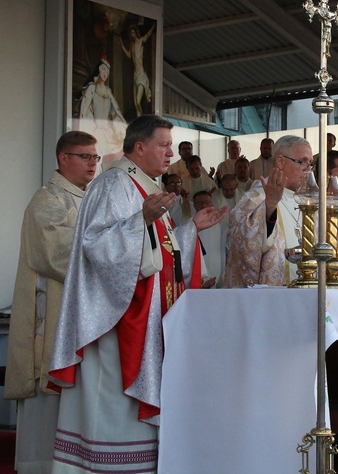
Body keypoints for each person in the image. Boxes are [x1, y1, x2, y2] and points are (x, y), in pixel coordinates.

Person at [47, 115, 228, 474]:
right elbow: (96, 247)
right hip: (115, 322)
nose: (170, 153)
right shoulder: (115, 184)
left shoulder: (144, 186)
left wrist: (190, 230)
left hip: (144, 317)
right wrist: (139, 221)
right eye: (163, 145)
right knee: (110, 404)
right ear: (139, 146)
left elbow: (161, 251)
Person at [5, 131, 98, 474]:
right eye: (85, 156)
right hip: (51, 321)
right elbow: (53, 253)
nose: (92, 163)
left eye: (95, 157)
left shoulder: (87, 199)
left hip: (77, 316)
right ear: (63, 158)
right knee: (49, 404)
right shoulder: (47, 200)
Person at [224, 135, 313, 287]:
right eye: (302, 162)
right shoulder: (257, 196)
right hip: (273, 298)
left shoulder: (308, 201)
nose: (308, 169)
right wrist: (270, 206)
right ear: (280, 161)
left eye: (310, 163)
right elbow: (243, 242)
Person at [77, 58, 126, 163]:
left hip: (107, 132)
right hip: (95, 131)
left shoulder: (108, 92)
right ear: (98, 70)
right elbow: (85, 110)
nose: (105, 73)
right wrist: (91, 130)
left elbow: (115, 113)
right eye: (103, 69)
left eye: (107, 71)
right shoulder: (92, 88)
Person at [120, 23, 155, 116]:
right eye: (131, 33)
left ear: (136, 33)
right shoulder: (132, 45)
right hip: (135, 75)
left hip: (141, 75)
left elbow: (148, 34)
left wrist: (153, 26)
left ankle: (142, 119)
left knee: (138, 101)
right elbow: (129, 55)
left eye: (133, 33)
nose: (132, 35)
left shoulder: (140, 41)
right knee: (135, 103)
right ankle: (139, 120)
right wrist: (122, 46)